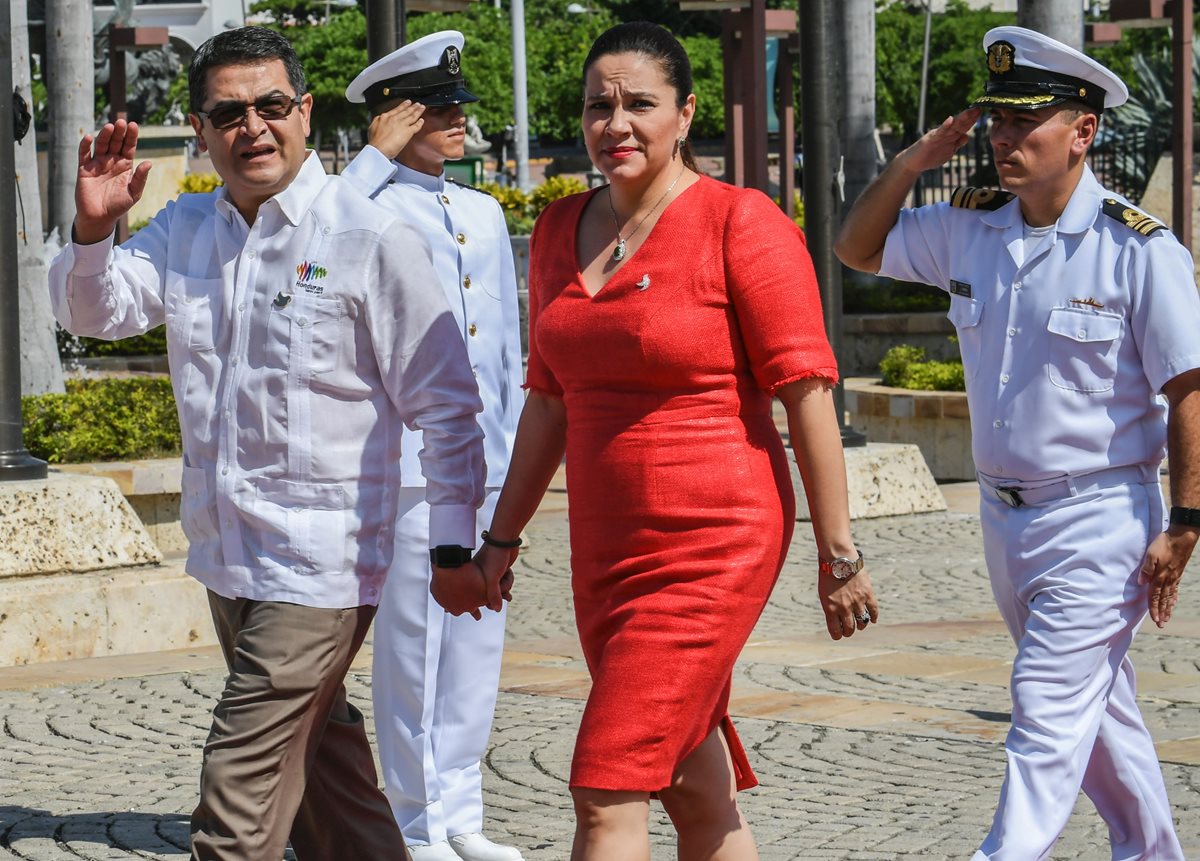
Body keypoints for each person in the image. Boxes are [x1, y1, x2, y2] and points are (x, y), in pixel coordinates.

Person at [434, 21, 879, 861]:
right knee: (692, 784)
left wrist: (840, 554)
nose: (617, 123)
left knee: (606, 785)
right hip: (607, 550)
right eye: (600, 105)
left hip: (714, 540)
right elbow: (548, 404)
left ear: (685, 113)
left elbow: (809, 395)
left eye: (641, 103)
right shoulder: (562, 229)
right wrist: (499, 541)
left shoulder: (740, 223)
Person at [48, 26, 487, 861]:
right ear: (202, 128)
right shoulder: (185, 229)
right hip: (229, 556)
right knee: (326, 775)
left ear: (306, 112)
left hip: (321, 567)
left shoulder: (369, 237)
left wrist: (456, 542)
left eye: (272, 105)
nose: (254, 127)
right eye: (230, 112)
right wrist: (94, 228)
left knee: (237, 796)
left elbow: (447, 406)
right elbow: (92, 314)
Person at [835, 26, 1199, 861]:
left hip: (1100, 515)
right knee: (1099, 715)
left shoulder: (1138, 249)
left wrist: (1186, 520)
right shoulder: (973, 229)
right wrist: (908, 165)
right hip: (1006, 520)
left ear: (1083, 131)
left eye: (1026, 121)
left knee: (1043, 706)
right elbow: (855, 248)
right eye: (998, 119)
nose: (1004, 138)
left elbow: (1190, 386)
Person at [342, 31, 525, 861]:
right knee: (413, 649)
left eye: (457, 107)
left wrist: (518, 459)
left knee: (477, 643)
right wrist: (367, 164)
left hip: (485, 463)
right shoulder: (365, 208)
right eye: (438, 108)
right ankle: (413, 823)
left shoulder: (482, 212)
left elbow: (507, 351)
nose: (458, 122)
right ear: (395, 115)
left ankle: (460, 813)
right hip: (415, 470)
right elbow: (312, 242)